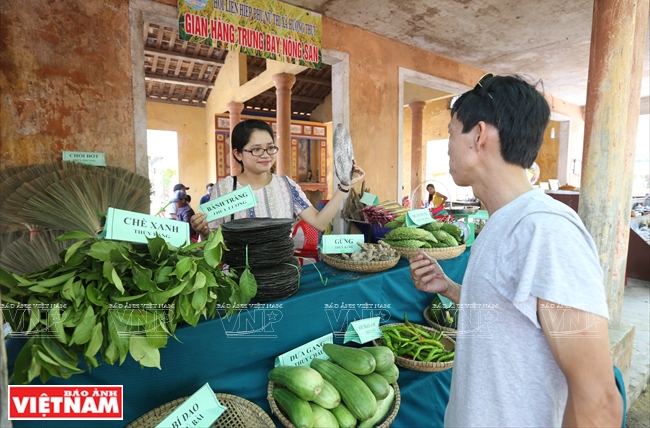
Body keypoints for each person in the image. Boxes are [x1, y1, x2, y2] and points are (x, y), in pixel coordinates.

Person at [409, 74, 623, 426]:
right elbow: (512, 320)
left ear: (479, 135)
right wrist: (448, 288)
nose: (447, 145)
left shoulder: (547, 231)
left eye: (450, 131)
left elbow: (598, 401)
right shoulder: (504, 221)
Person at [191, 119, 365, 238]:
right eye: (256, 149)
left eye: (270, 148)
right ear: (237, 154)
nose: (265, 155)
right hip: (237, 281)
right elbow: (212, 242)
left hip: (282, 277)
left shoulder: (286, 186)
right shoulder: (224, 189)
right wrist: (204, 233)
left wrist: (344, 186)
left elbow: (319, 222)